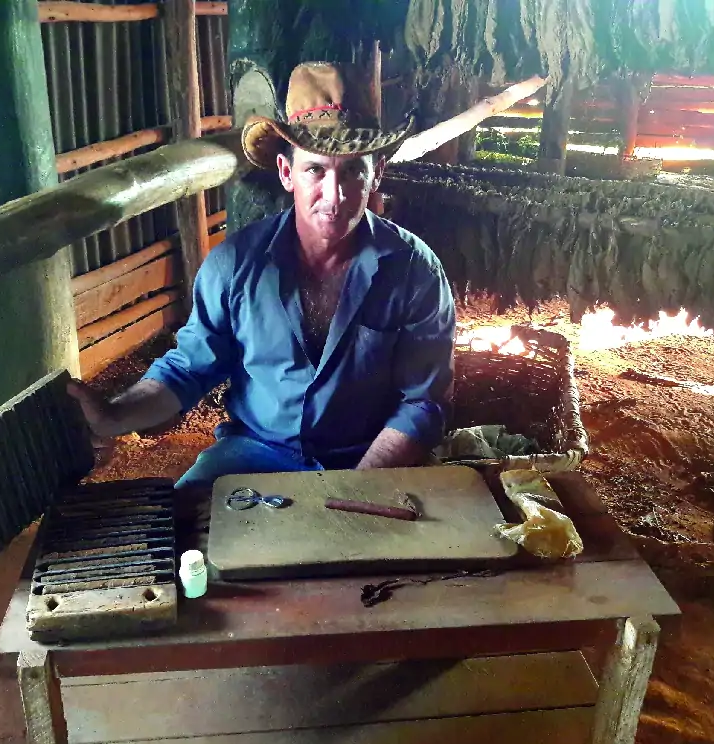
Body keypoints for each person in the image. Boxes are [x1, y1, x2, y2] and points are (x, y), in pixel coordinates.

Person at [67, 61, 455, 489]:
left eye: (352, 171)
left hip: (367, 459)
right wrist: (113, 415)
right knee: (183, 525)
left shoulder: (414, 270)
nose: (335, 195)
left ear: (376, 173)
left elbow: (423, 402)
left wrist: (355, 489)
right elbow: (188, 369)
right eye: (316, 170)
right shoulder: (235, 264)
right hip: (254, 453)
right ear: (287, 173)